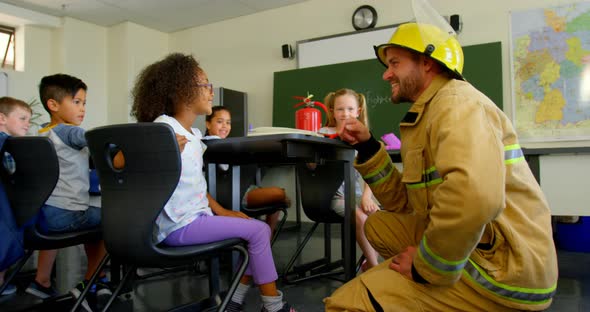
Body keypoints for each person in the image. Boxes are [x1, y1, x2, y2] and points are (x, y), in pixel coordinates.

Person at [324, 22, 558, 311]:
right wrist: (368, 145)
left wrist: (426, 267)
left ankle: (439, 289)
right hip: (481, 244)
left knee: (346, 303)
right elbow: (402, 204)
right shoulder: (429, 112)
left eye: (395, 63)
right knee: (378, 226)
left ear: (426, 63)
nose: (386, 74)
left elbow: (475, 198)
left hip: (504, 269)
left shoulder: (457, 104)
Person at [131, 53, 296, 312]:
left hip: (193, 220)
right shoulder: (163, 128)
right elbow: (120, 158)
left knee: (253, 230)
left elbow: (196, 187)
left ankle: (235, 300)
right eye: (205, 84)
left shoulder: (194, 135)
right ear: (181, 91)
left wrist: (224, 211)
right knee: (260, 231)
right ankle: (274, 306)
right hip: (177, 226)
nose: (210, 91)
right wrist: (159, 148)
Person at [26, 74, 111, 310]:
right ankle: (92, 281)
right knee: (111, 220)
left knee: (92, 216)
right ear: (53, 105)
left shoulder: (42, 133)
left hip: (43, 214)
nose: (83, 109)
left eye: (84, 103)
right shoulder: (70, 132)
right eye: (76, 102)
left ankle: (41, 281)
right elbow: (99, 141)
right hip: (66, 215)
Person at [203, 106, 291, 237]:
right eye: (220, 121)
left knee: (279, 198)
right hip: (230, 195)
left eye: (228, 122)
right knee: (280, 195)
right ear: (208, 124)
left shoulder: (229, 146)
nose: (224, 126)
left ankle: (267, 237)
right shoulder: (204, 147)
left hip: (242, 189)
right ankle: (267, 237)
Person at [318, 89, 380, 271]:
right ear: (332, 111)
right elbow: (312, 168)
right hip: (331, 196)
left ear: (358, 111)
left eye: (350, 109)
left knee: (378, 218)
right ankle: (376, 269)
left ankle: (368, 263)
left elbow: (372, 170)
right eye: (340, 109)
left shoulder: (362, 136)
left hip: (355, 195)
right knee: (361, 218)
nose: (345, 114)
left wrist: (367, 197)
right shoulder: (323, 133)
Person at [0, 96, 32, 296]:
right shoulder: (7, 146)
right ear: (2, 118)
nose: (27, 125)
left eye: (29, 120)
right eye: (22, 119)